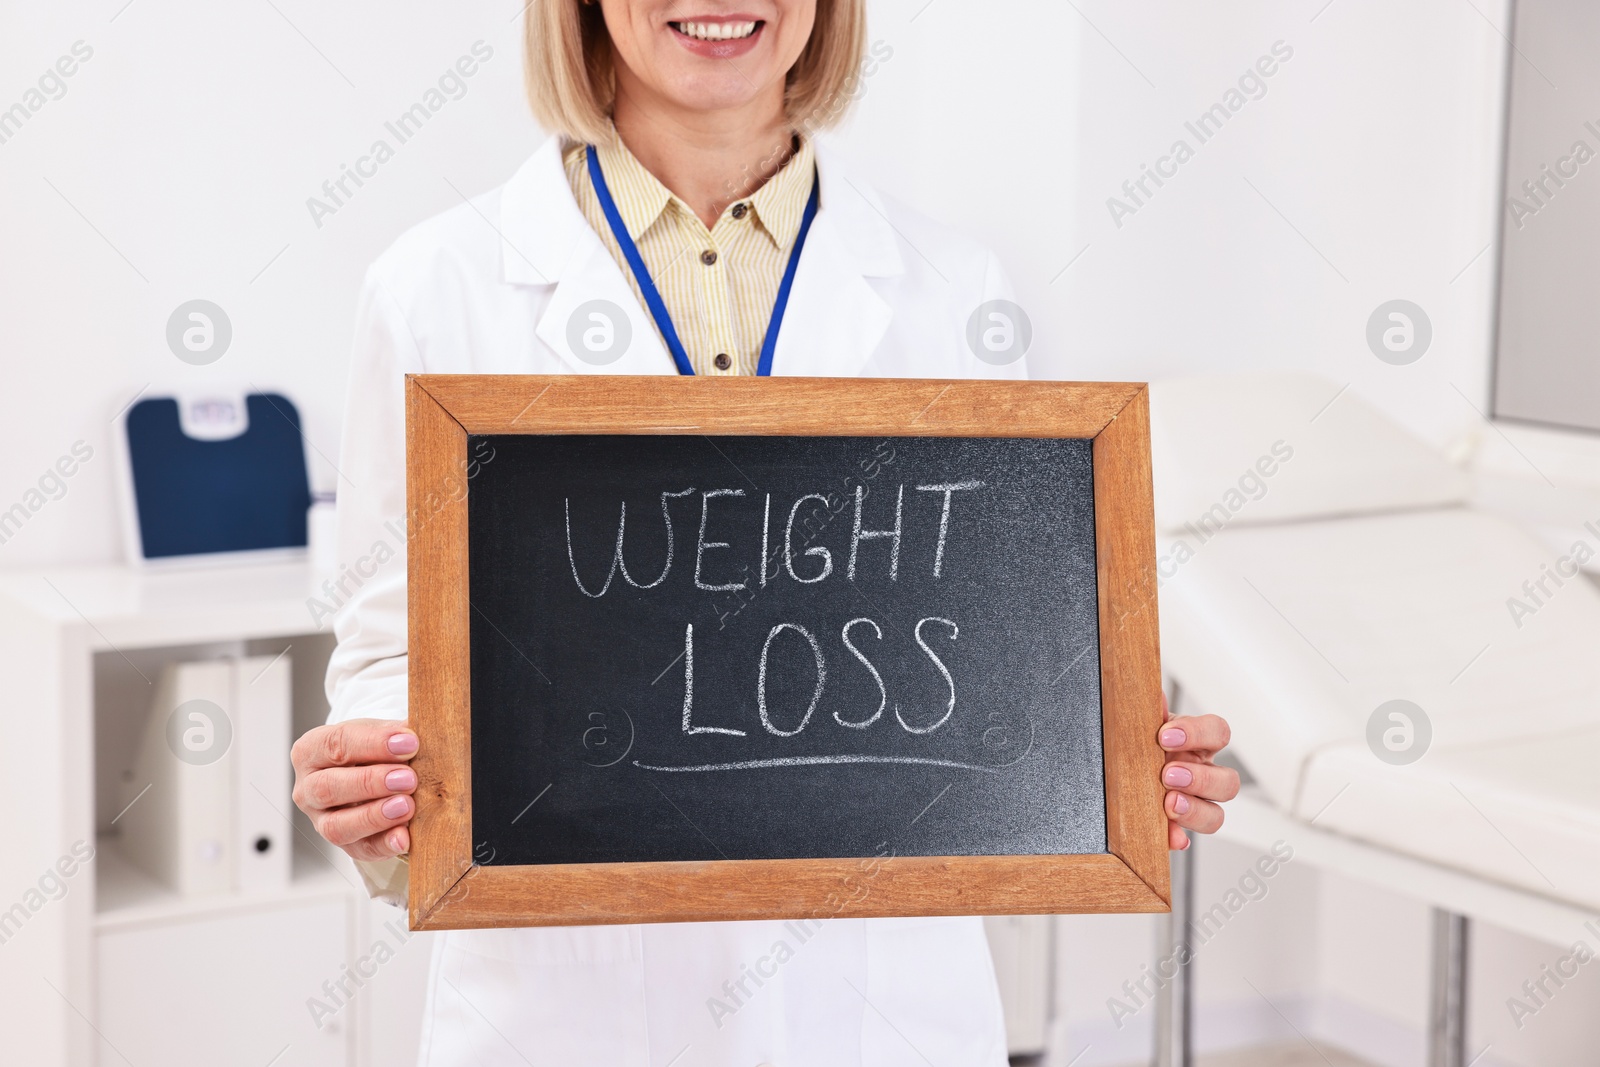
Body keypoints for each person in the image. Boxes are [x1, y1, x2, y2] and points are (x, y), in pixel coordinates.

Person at [291, 0, 1240, 1062]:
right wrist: (378, 787)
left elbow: (996, 659)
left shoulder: (954, 289)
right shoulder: (434, 285)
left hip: (880, 1013)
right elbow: (388, 653)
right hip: (570, 1011)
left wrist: (1110, 756)